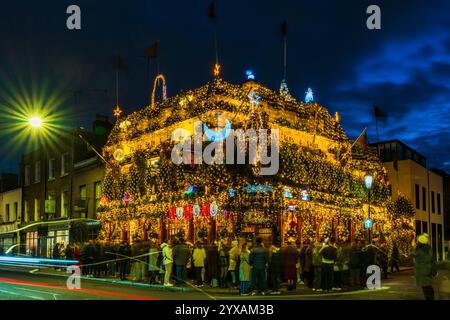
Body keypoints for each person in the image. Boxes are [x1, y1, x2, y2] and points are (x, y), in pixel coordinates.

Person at [413, 234, 437, 300]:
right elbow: (433, 261)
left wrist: (413, 246)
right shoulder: (429, 249)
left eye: (418, 241)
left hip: (422, 271)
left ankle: (429, 298)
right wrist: (434, 271)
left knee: (425, 287)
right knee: (428, 286)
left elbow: (411, 254)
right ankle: (431, 298)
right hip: (428, 270)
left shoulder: (419, 250)